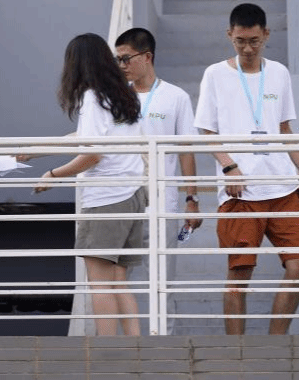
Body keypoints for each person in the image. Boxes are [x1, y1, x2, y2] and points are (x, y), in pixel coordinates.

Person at [193, 3, 299, 335]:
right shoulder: (215, 74)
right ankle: (238, 353)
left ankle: (275, 343)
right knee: (239, 272)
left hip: (282, 186)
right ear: (229, 35)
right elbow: (207, 131)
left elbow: (284, 127)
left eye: (254, 41)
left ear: (266, 35)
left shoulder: (279, 73)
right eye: (240, 41)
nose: (247, 49)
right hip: (241, 190)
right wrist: (229, 166)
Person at [34, 33, 145, 336]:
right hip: (133, 195)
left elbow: (93, 154)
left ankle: (106, 351)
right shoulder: (125, 96)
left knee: (99, 283)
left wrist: (53, 175)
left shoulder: (93, 98)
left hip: (106, 198)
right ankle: (136, 347)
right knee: (119, 281)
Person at [114, 27, 201, 334]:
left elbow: (186, 149)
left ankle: (165, 342)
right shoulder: (115, 97)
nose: (121, 65)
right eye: (118, 59)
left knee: (163, 281)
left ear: (147, 57)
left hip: (163, 203)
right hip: (121, 201)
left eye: (126, 58)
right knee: (117, 278)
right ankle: (121, 343)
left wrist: (192, 199)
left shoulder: (176, 97)